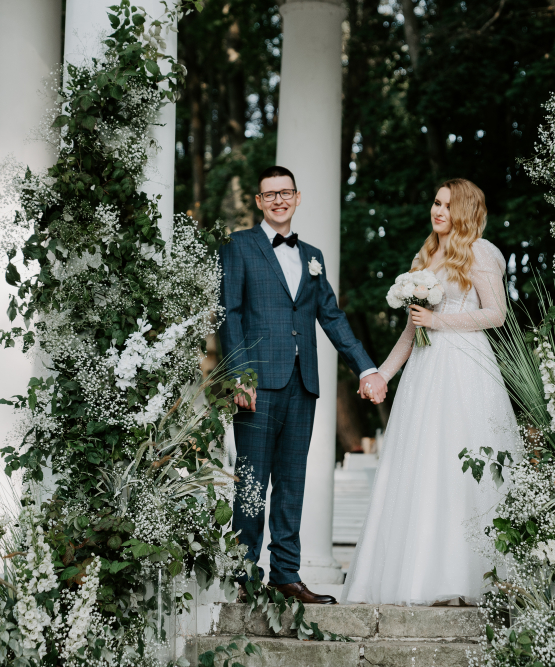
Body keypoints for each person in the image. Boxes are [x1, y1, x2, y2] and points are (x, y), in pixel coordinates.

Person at [342, 178, 523, 606]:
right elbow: (411, 331)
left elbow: (496, 314)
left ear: (465, 211)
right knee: (421, 466)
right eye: (436, 202)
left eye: (447, 205)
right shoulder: (423, 257)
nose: (438, 211)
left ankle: (467, 578)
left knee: (459, 468)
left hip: (464, 369)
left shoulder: (478, 252)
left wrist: (439, 322)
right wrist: (382, 375)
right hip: (424, 373)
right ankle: (419, 577)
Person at [219, 165, 388, 605]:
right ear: (259, 201)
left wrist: (367, 369)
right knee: (252, 482)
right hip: (256, 384)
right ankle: (243, 576)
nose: (278, 200)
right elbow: (229, 314)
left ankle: (286, 575)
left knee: (292, 483)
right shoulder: (239, 246)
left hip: (302, 384)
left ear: (297, 198)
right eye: (269, 194)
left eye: (285, 192)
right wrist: (238, 375)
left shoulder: (313, 255)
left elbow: (331, 316)